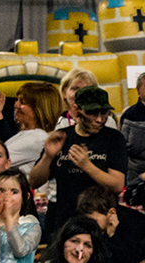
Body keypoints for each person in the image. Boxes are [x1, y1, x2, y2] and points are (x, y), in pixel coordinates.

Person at [29, 86, 126, 241]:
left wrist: (87, 166)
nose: (100, 119)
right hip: (64, 221)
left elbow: (117, 184)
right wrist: (47, 157)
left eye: (104, 113)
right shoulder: (63, 137)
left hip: (99, 225)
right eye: (93, 113)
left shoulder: (114, 139)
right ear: (76, 110)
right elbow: (34, 181)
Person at [5, 82, 61, 174]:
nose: (16, 105)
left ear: (39, 109)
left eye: (22, 102)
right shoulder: (29, 135)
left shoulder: (36, 139)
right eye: (17, 100)